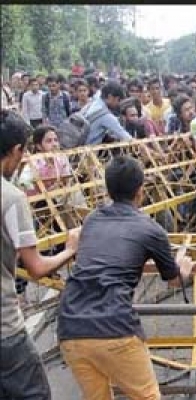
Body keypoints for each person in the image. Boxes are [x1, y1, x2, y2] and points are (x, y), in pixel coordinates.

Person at [57, 155, 192, 400]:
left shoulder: (92, 220)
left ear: (108, 190)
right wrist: (183, 267)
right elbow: (173, 279)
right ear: (141, 191)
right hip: (113, 326)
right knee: (147, 396)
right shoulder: (151, 229)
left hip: (70, 326)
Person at [1, 109, 80, 400]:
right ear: (17, 149)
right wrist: (70, 250)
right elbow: (35, 266)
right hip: (5, 329)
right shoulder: (11, 197)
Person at [84, 80, 133, 145]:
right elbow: (127, 138)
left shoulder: (94, 102)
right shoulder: (106, 116)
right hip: (85, 151)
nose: (119, 104)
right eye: (118, 100)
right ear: (110, 97)